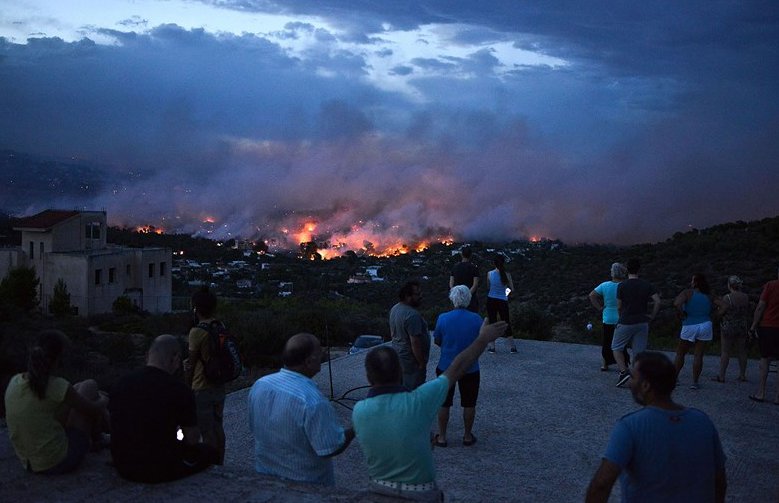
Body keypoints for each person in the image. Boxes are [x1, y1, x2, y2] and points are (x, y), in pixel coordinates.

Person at [352, 318, 507, 502]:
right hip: (420, 494)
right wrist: (483, 339)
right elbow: (458, 367)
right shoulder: (419, 401)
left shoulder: (359, 411)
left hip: (377, 491)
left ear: (369, 377)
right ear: (400, 371)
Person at [585, 351, 727, 503]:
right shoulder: (703, 422)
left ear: (646, 386)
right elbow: (719, 480)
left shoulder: (630, 427)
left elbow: (602, 484)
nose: (630, 383)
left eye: (633, 377)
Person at [247, 333, 355, 486]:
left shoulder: (260, 385)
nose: (323, 355)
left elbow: (255, 428)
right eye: (320, 352)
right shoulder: (312, 401)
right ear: (309, 362)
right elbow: (330, 447)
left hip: (265, 480)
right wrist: (356, 428)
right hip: (306, 486)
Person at [110, 334, 218, 483]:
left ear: (147, 356)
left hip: (122, 465)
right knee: (209, 452)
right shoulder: (179, 390)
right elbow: (192, 438)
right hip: (158, 469)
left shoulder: (121, 383)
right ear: (176, 359)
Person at [5, 330, 108, 475]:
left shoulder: (15, 381)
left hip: (29, 462)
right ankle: (98, 439)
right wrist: (104, 399)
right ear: (58, 358)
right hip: (58, 461)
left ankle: (100, 437)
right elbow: (93, 409)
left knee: (79, 387)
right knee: (90, 385)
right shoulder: (56, 386)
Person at [432, 285, 483, 447]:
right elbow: (480, 342)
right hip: (470, 367)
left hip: (446, 366)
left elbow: (437, 340)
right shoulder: (477, 319)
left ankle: (442, 437)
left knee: (444, 402)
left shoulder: (443, 318)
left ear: (452, 299)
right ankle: (467, 436)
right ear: (468, 299)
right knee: (469, 403)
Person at [185, 287, 226, 464]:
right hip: (219, 385)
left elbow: (191, 363)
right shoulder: (220, 326)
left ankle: (210, 466)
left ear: (196, 308)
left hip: (202, 387)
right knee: (218, 428)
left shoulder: (197, 332)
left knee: (206, 431)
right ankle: (220, 463)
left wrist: (186, 387)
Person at [613, 258, 661, 387]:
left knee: (616, 347)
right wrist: (652, 316)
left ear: (627, 270)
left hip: (626, 321)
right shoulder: (646, 285)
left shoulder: (622, 285)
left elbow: (619, 306)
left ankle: (624, 372)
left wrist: (620, 318)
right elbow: (657, 301)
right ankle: (638, 377)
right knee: (639, 353)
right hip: (642, 322)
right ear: (639, 269)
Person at [673, 273, 714, 390]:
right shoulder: (709, 295)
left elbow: (676, 303)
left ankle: (674, 378)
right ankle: (695, 382)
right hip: (705, 324)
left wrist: (682, 313)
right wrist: (714, 316)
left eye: (692, 280)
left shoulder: (687, 293)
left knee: (680, 353)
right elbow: (724, 306)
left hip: (689, 324)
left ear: (695, 282)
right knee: (698, 355)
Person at [589, 262, 631, 371]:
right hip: (622, 318)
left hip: (608, 318)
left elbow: (592, 295)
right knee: (622, 343)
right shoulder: (626, 285)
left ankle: (604, 364)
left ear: (613, 273)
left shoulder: (605, 285)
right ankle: (624, 365)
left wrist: (599, 308)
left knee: (607, 342)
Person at [390, 280, 430, 390]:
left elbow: (392, 333)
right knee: (414, 391)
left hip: (399, 356)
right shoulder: (412, 315)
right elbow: (415, 342)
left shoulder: (395, 308)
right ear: (407, 296)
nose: (421, 296)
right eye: (417, 294)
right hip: (411, 361)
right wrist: (421, 363)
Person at [748, 266, 779, 404]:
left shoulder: (770, 285)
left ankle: (761, 392)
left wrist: (753, 325)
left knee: (765, 359)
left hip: (769, 326)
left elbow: (761, 306)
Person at [713, 275, 750, 383]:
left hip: (729, 326)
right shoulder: (745, 297)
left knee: (725, 351)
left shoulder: (727, 298)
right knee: (742, 351)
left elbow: (722, 312)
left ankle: (722, 375)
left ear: (730, 285)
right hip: (742, 326)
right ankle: (742, 375)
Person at [486, 254, 516, 353]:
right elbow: (512, 289)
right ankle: (512, 347)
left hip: (491, 300)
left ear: (494, 263)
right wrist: (505, 293)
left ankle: (492, 347)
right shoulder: (507, 275)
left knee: (492, 322)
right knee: (506, 322)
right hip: (503, 300)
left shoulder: (489, 274)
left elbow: (488, 287)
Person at [449, 246, 479, 313]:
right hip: (471, 299)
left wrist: (455, 294)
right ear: (470, 255)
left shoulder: (455, 267)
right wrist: (467, 295)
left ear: (461, 255)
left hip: (457, 299)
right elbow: (475, 285)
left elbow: (451, 284)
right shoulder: (474, 268)